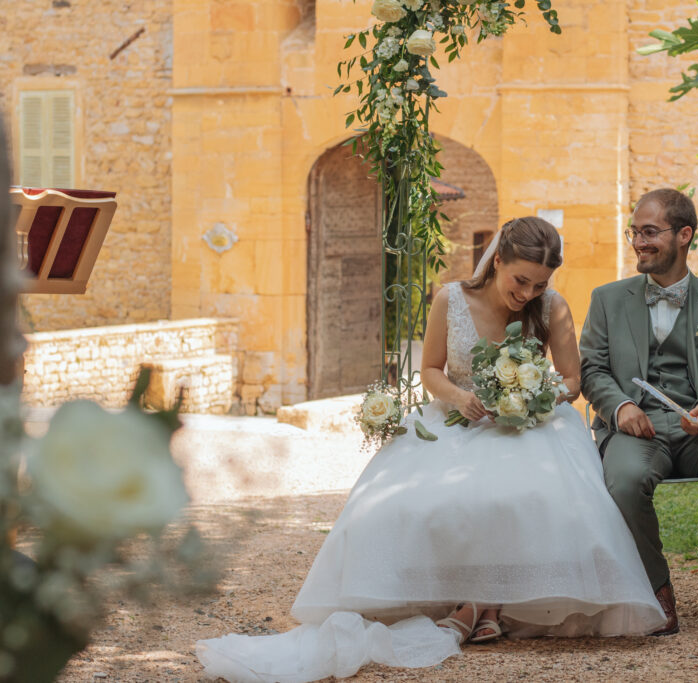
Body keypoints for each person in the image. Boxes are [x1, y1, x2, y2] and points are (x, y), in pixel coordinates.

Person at [197, 217, 665, 682]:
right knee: (412, 504)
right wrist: (464, 398)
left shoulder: (552, 307)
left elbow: (572, 380)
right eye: (520, 281)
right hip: (460, 417)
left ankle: (482, 603)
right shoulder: (451, 299)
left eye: (538, 285)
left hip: (533, 425)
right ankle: (475, 600)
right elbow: (432, 371)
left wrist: (533, 397)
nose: (527, 294)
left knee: (524, 496)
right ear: (497, 260)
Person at [579, 188, 698, 645]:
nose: (638, 241)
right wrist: (620, 407)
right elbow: (593, 370)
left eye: (650, 232)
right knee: (621, 478)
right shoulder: (607, 299)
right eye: (634, 232)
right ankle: (658, 590)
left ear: (684, 235)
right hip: (635, 432)